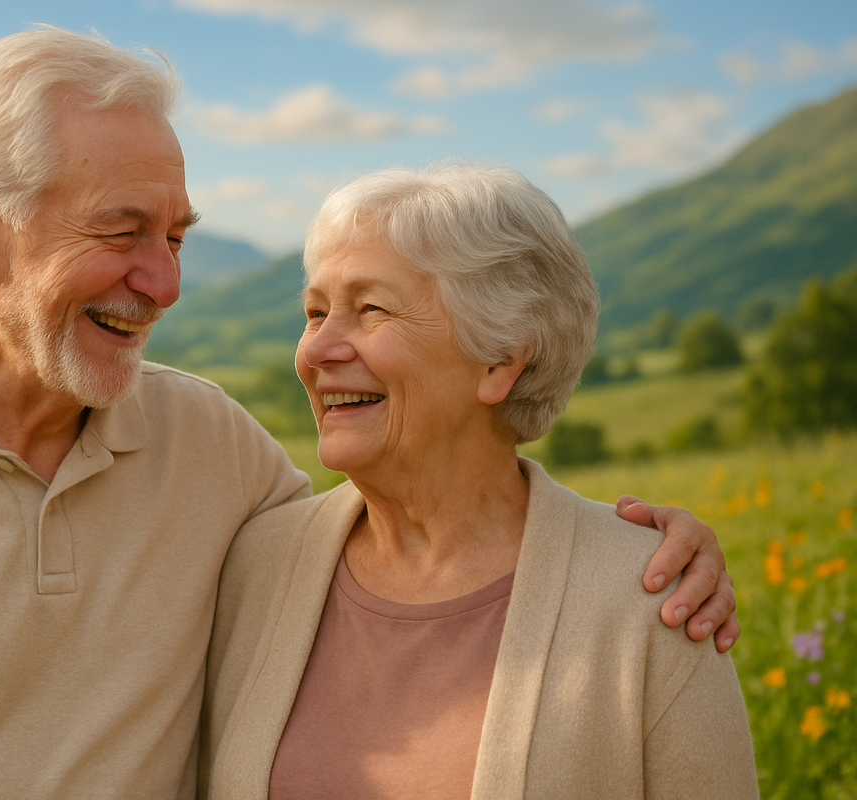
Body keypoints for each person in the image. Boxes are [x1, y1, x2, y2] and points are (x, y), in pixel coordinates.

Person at [0, 28, 736, 800]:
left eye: (177, 235)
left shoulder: (211, 447)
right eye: (123, 229)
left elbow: (436, 509)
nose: (163, 282)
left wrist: (641, 547)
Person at [201, 165, 758, 799]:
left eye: (370, 310)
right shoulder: (253, 566)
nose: (317, 349)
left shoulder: (652, 599)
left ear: (500, 358)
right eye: (315, 312)